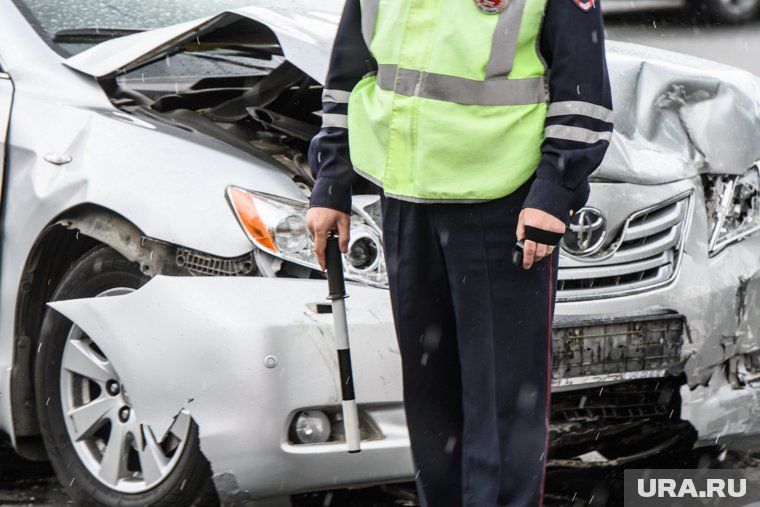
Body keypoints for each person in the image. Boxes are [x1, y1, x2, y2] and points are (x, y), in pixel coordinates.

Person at [307, 0, 613, 505]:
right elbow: (350, 71)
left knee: (501, 400)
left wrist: (554, 193)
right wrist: (332, 179)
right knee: (431, 398)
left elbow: (584, 90)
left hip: (502, 201)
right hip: (406, 196)